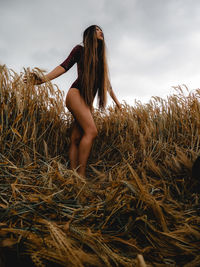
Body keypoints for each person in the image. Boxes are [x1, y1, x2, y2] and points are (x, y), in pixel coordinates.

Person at [24, 25, 121, 177]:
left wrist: (118, 104)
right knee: (91, 131)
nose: (101, 31)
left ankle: (73, 174)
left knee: (76, 137)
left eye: (101, 29)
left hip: (86, 102)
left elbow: (107, 85)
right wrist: (42, 80)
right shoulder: (80, 50)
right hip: (75, 94)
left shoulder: (101, 60)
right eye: (96, 29)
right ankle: (80, 177)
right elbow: (63, 66)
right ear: (89, 34)